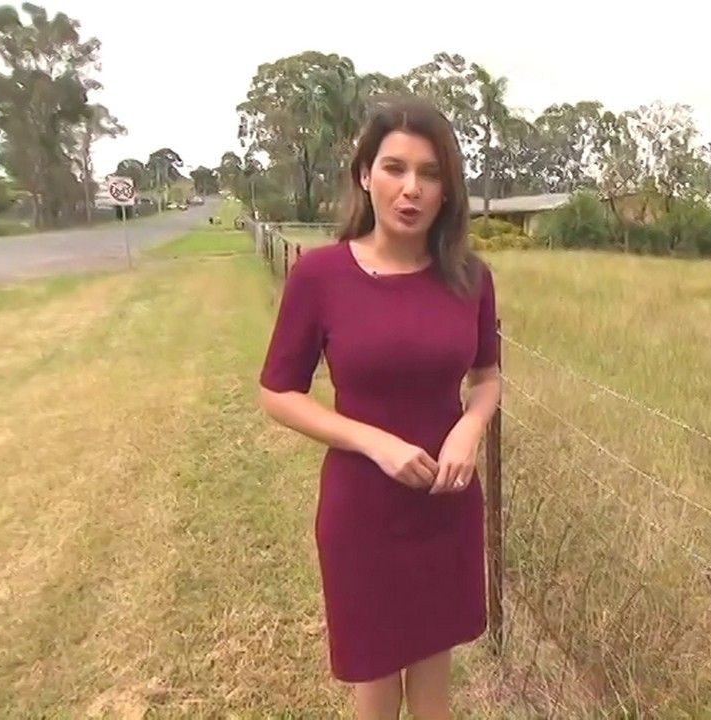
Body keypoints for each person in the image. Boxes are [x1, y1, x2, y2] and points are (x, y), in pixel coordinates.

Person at [256, 96, 501, 720]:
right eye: (395, 168)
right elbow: (277, 392)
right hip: (362, 510)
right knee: (375, 679)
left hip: (446, 504)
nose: (411, 188)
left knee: (434, 683)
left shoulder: (470, 278)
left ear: (447, 189)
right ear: (365, 175)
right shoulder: (320, 276)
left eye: (430, 173)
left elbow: (487, 378)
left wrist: (470, 427)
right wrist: (374, 441)